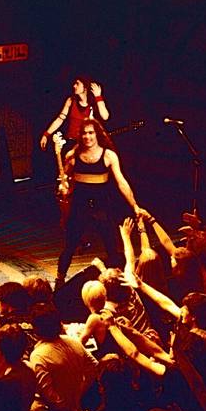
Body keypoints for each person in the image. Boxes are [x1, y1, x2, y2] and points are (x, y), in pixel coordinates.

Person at [55, 119, 148, 287]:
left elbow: (122, 182)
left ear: (97, 134)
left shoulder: (108, 156)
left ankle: (119, 285)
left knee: (111, 247)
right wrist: (63, 187)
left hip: (102, 207)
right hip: (79, 207)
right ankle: (59, 281)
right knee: (69, 247)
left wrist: (134, 205)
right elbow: (65, 183)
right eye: (84, 133)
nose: (87, 137)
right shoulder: (72, 156)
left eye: (91, 133)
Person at [39, 76, 109, 151]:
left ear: (85, 86)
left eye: (77, 84)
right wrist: (46, 135)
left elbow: (105, 116)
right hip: (71, 143)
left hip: (87, 145)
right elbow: (60, 119)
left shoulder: (93, 104)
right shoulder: (71, 101)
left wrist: (98, 96)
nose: (74, 86)